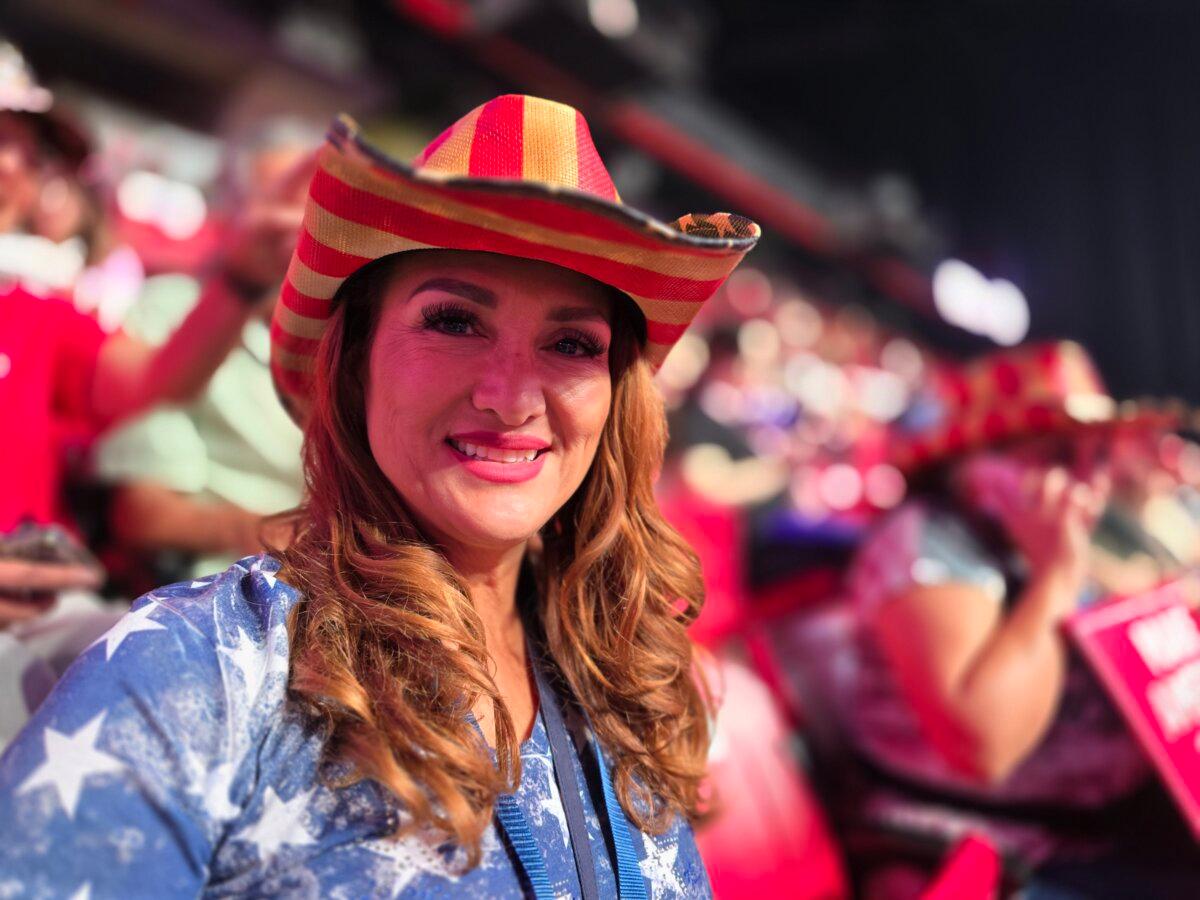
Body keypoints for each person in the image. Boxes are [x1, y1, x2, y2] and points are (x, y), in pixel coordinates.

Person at [0, 94, 760, 896]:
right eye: (455, 322)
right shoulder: (198, 670)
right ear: (355, 361)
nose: (511, 396)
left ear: (615, 400)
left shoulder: (634, 684)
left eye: (571, 344)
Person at [0, 41, 309, 736]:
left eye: (26, 149)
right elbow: (146, 514)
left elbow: (147, 383)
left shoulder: (39, 305)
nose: (11, 166)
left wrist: (240, 283)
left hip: (50, 624)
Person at [844, 341, 1200, 894]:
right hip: (1002, 856)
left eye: (1099, 457)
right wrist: (1055, 576)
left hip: (1114, 831)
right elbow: (986, 748)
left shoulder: (1044, 533)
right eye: (1058, 455)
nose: (1089, 484)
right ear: (974, 463)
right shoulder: (923, 543)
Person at [95, 119, 322, 584]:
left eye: (320, 204)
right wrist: (282, 535)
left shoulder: (363, 338)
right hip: (213, 593)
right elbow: (143, 513)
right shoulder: (171, 311)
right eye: (278, 202)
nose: (298, 225)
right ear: (231, 213)